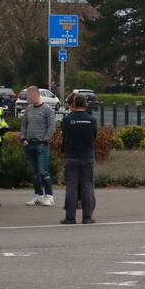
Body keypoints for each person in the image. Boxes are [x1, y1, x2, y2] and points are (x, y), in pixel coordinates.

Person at [60, 93, 98, 224]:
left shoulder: (67, 120)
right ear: (86, 105)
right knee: (87, 186)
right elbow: (94, 136)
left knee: (71, 186)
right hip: (87, 156)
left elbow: (64, 135)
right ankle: (87, 217)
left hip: (71, 156)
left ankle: (70, 217)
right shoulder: (92, 120)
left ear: (73, 104)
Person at [20, 85, 56, 206]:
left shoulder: (47, 109)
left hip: (42, 145)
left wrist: (45, 140)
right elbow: (24, 125)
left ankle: (49, 196)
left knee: (43, 171)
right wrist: (23, 138)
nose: (29, 98)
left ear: (37, 95)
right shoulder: (28, 109)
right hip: (29, 145)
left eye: (31, 96)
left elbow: (52, 127)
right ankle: (38, 195)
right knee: (34, 172)